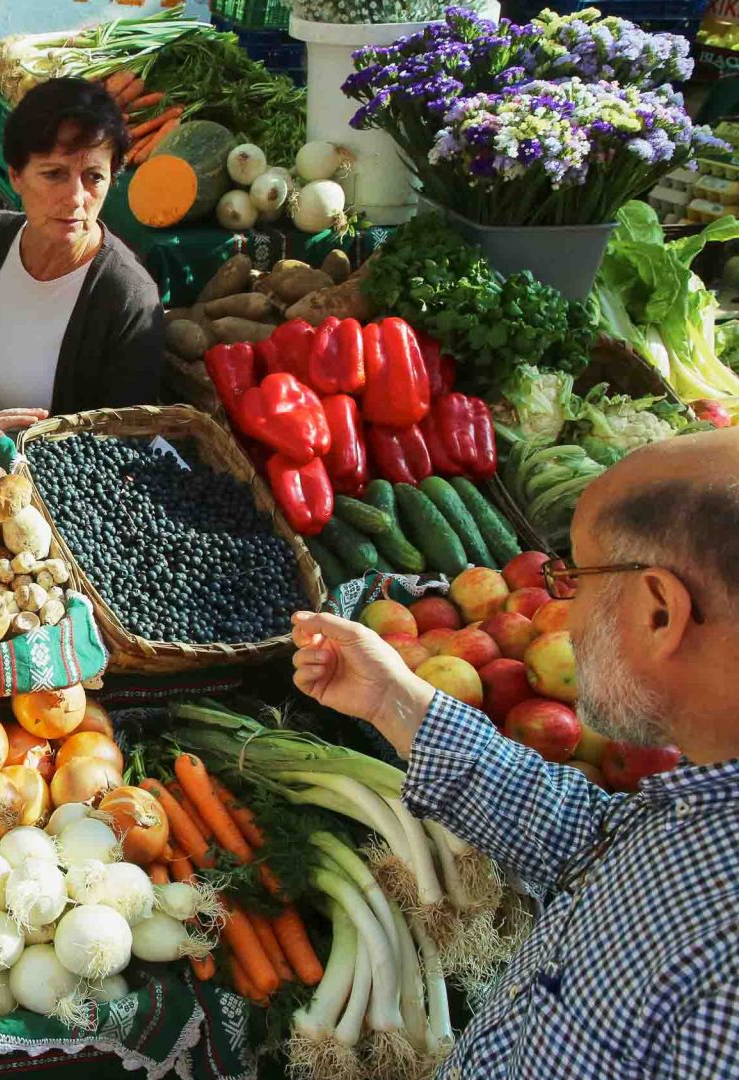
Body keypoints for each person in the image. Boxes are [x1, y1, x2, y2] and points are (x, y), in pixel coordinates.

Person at [290, 427, 739, 1079]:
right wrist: (395, 700)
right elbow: (587, 838)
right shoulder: (701, 801)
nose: (565, 615)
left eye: (574, 579)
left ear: (660, 612)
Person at [0, 77, 165, 433]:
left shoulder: (128, 300)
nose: (76, 197)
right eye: (54, 174)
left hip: (40, 481)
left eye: (94, 177)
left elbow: (123, 442)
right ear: (15, 175)